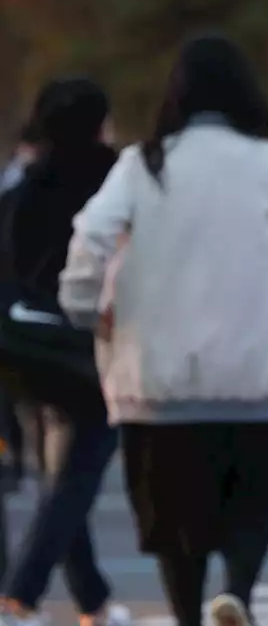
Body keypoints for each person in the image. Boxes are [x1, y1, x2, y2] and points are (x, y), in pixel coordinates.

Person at [59, 35, 268, 626]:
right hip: (249, 380)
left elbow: (92, 236)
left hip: (157, 385)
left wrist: (82, 305)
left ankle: (188, 616)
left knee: (175, 526)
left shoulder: (144, 163)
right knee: (249, 505)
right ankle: (239, 595)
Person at [0, 78, 130, 626]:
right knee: (75, 479)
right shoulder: (116, 184)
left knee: (63, 477)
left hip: (25, 352)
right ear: (98, 124)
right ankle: (20, 595)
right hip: (92, 348)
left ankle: (93, 602)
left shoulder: (21, 189)